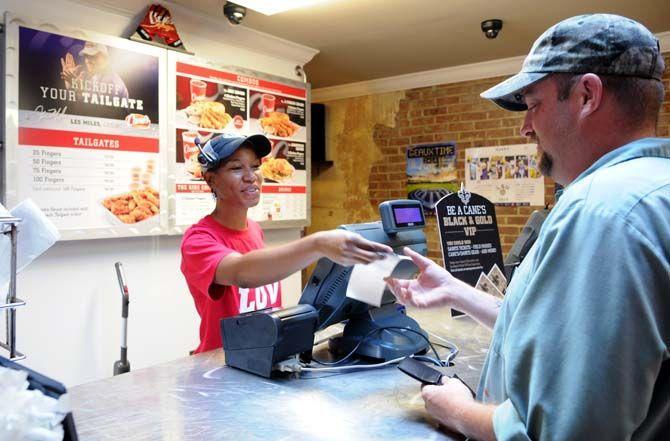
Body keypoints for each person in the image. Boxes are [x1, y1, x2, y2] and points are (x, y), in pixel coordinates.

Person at [386, 14, 668, 441]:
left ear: (588, 95)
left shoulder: (601, 211)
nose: (525, 126)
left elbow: (560, 431)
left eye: (534, 104)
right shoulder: (653, 189)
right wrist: (456, 290)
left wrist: (458, 409)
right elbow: (583, 337)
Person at [181, 133, 392, 354]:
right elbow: (241, 272)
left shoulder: (254, 229)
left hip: (263, 355)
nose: (251, 176)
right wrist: (317, 244)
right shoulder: (198, 240)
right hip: (223, 363)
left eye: (255, 167)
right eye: (236, 168)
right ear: (211, 180)